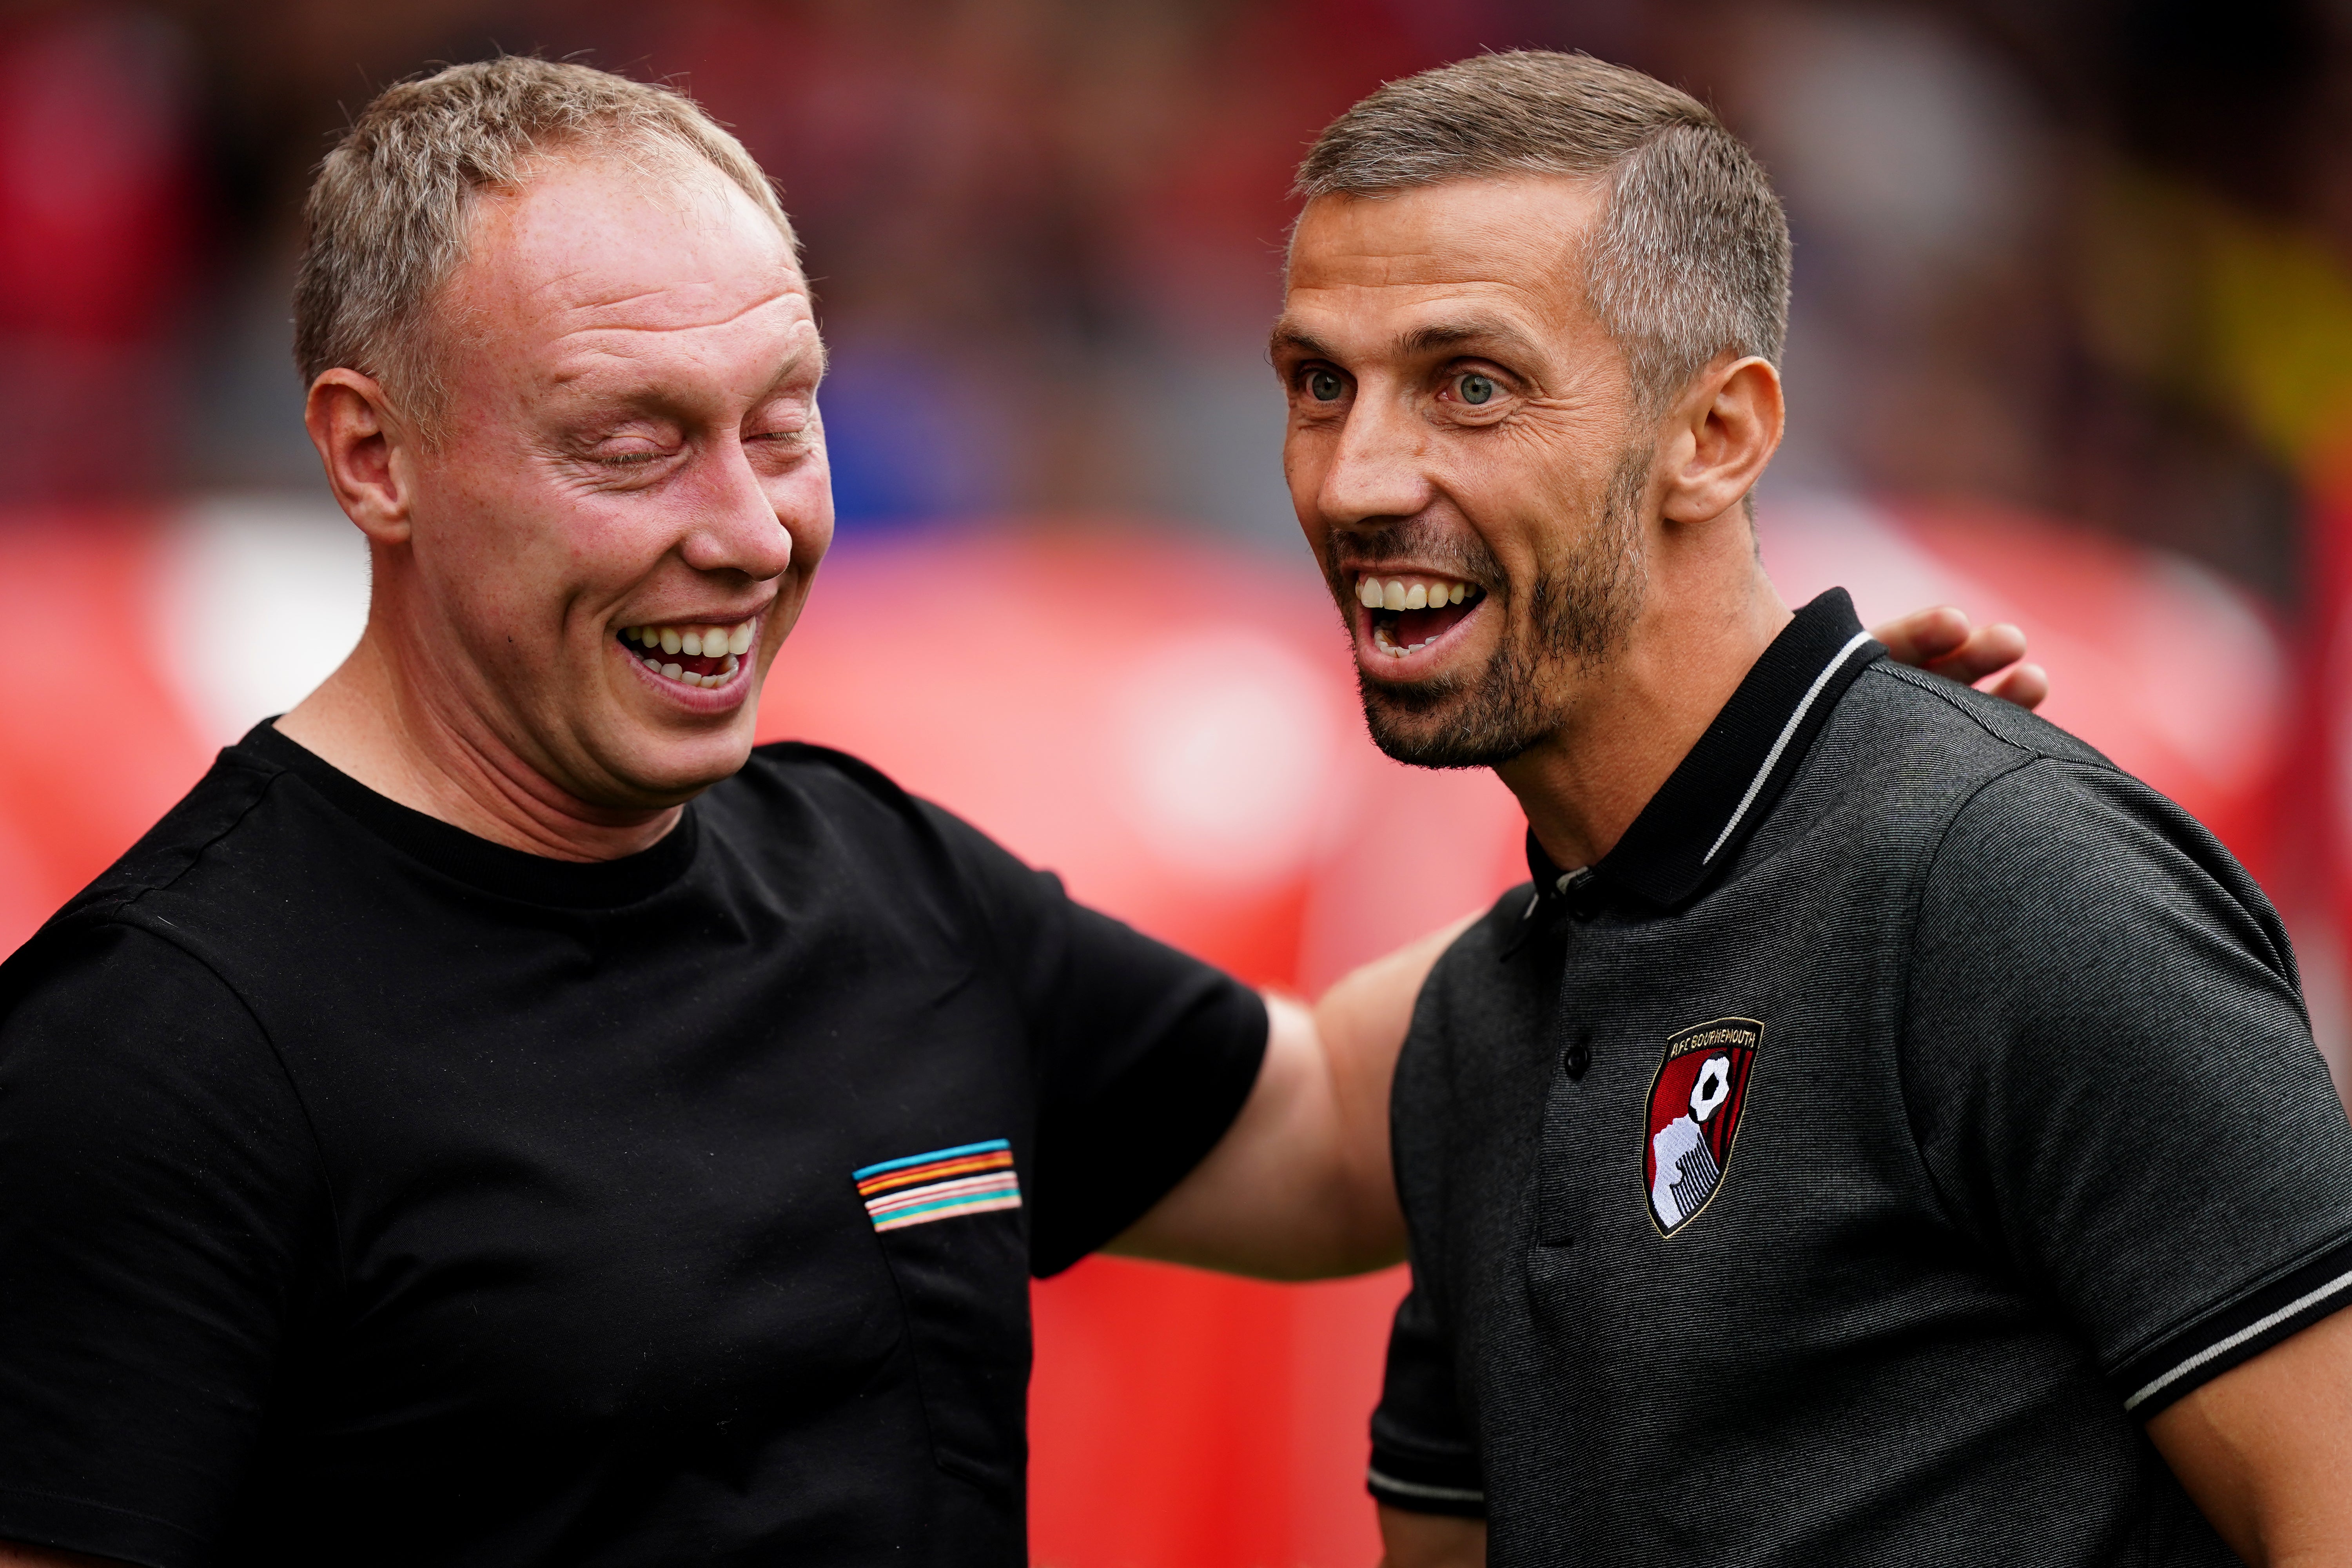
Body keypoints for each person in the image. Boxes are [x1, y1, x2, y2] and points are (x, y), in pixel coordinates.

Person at [0, 57, 2040, 1568]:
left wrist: (1748, 819)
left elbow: (1332, 1121)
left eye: (781, 427)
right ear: (371, 458)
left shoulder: (872, 880)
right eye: (634, 444)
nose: (743, 532)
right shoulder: (156, 1048)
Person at [1264, 50, 2352, 1568]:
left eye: (1473, 385)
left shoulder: (2007, 878)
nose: (1359, 477)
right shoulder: (1474, 1029)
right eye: (1321, 383)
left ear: (1717, 436)